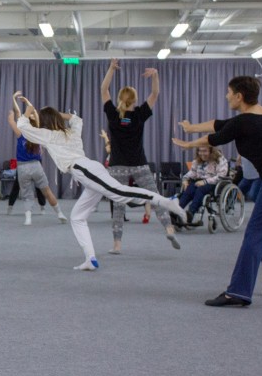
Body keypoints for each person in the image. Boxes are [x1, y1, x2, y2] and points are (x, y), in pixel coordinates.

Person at [174, 75, 262, 307]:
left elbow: (215, 136)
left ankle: (238, 292)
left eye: (229, 93)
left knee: (255, 233)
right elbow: (219, 124)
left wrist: (188, 144)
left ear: (239, 96)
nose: (226, 96)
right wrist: (191, 128)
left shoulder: (244, 121)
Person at [16, 94, 185, 271]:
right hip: (89, 171)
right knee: (77, 217)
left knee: (120, 193)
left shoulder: (48, 135)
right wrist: (57, 114)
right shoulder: (71, 132)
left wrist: (27, 112)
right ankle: (90, 259)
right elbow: (76, 119)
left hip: (84, 170)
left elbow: (22, 126)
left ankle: (167, 202)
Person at [100, 58, 180, 253]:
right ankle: (169, 228)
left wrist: (111, 69)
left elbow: (104, 90)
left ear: (120, 98)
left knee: (118, 205)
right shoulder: (139, 114)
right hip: (139, 164)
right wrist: (155, 76)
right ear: (135, 99)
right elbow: (155, 93)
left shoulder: (113, 114)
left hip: (117, 165)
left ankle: (117, 245)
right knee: (154, 197)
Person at [7, 91, 67, 226]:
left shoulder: (21, 131)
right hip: (36, 166)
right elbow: (32, 110)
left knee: (27, 195)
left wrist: (13, 101)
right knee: (47, 191)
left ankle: (28, 218)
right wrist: (27, 102)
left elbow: (15, 116)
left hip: (22, 168)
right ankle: (60, 213)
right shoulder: (38, 131)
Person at [177, 145, 228, 225]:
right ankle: (176, 211)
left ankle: (191, 213)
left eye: (205, 151)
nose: (202, 153)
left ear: (211, 151)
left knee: (200, 190)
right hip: (199, 181)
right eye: (200, 151)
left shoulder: (219, 159)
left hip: (213, 183)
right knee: (189, 189)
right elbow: (193, 172)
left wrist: (205, 181)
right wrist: (185, 179)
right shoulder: (197, 160)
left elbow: (221, 176)